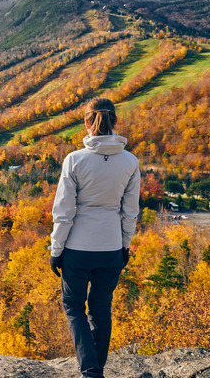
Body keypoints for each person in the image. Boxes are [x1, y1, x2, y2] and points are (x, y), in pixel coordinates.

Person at [50, 97, 140, 378]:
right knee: (101, 307)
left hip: (77, 248)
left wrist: (56, 250)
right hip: (111, 246)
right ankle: (96, 370)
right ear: (115, 122)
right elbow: (130, 213)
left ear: (87, 123)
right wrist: (125, 246)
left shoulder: (74, 160)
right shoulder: (130, 161)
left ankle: (90, 370)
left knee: (73, 306)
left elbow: (63, 213)